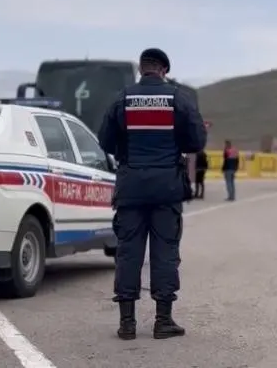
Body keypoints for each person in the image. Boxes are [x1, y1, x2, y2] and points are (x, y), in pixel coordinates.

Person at [98, 47, 207, 341]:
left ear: (141, 69)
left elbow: (105, 140)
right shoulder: (177, 99)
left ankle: (127, 323)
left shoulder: (123, 98)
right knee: (165, 252)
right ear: (163, 70)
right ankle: (163, 321)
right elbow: (197, 140)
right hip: (166, 189)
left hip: (131, 187)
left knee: (128, 252)